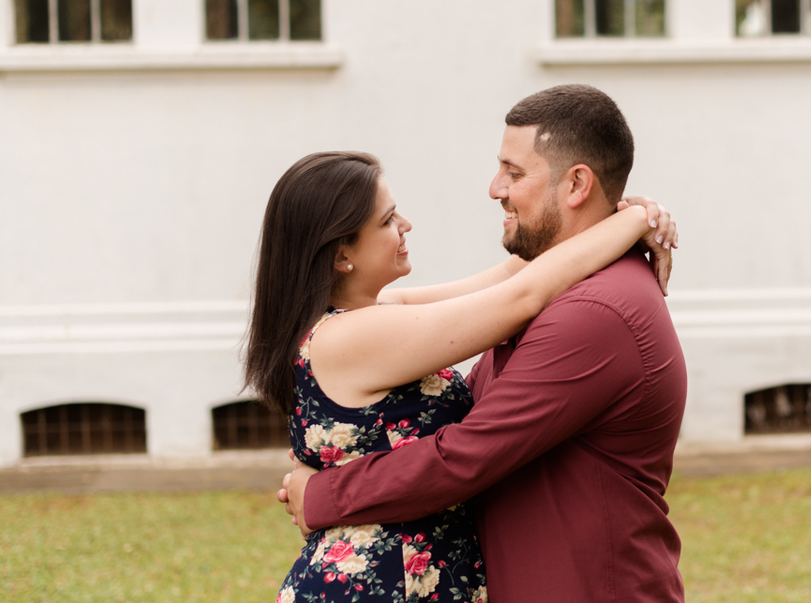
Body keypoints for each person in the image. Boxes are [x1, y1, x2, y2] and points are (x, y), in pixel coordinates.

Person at [279, 85, 688, 602]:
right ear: (342, 255)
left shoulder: (593, 310)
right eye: (386, 221)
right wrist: (631, 217)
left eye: (514, 173)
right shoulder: (360, 329)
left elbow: (467, 453)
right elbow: (516, 290)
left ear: (578, 183)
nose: (495, 188)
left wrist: (323, 494)